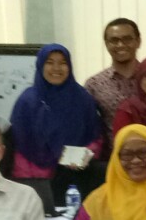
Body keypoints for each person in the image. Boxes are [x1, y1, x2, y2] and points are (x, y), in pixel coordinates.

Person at [9, 44, 103, 187]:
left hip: (76, 178)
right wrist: (36, 181)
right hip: (35, 180)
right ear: (40, 65)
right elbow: (21, 145)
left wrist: (85, 156)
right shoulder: (27, 101)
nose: (56, 68)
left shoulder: (83, 99)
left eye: (62, 63)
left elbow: (95, 138)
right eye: (50, 62)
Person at [86, 18, 144, 133]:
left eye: (127, 39)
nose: (120, 45)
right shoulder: (94, 85)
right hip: (111, 151)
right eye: (114, 40)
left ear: (138, 42)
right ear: (107, 44)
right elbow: (87, 125)